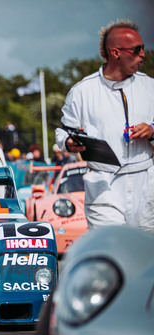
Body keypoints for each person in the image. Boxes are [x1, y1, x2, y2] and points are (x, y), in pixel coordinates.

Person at [56, 20, 154, 232]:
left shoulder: (150, 86)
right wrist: (69, 142)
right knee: (111, 248)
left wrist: (152, 130)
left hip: (145, 182)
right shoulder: (83, 91)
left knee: (147, 253)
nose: (143, 55)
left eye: (143, 48)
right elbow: (63, 131)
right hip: (103, 183)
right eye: (137, 50)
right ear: (115, 52)